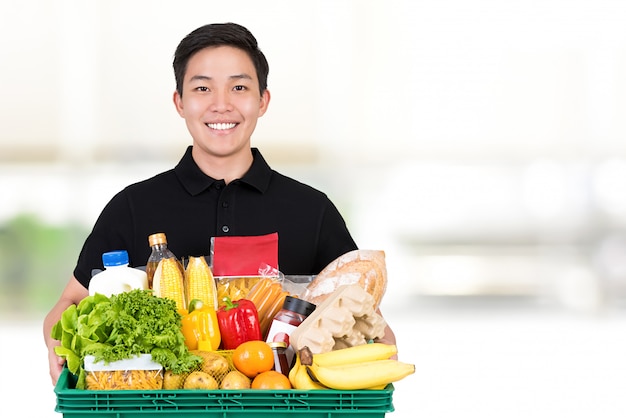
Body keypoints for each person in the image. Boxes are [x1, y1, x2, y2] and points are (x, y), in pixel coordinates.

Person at [43, 22, 396, 385]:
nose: (221, 104)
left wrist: (379, 351)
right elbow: (68, 305)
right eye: (202, 88)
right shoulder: (132, 207)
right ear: (180, 102)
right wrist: (58, 340)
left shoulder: (312, 210)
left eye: (239, 87)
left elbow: (364, 316)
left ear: (263, 101)